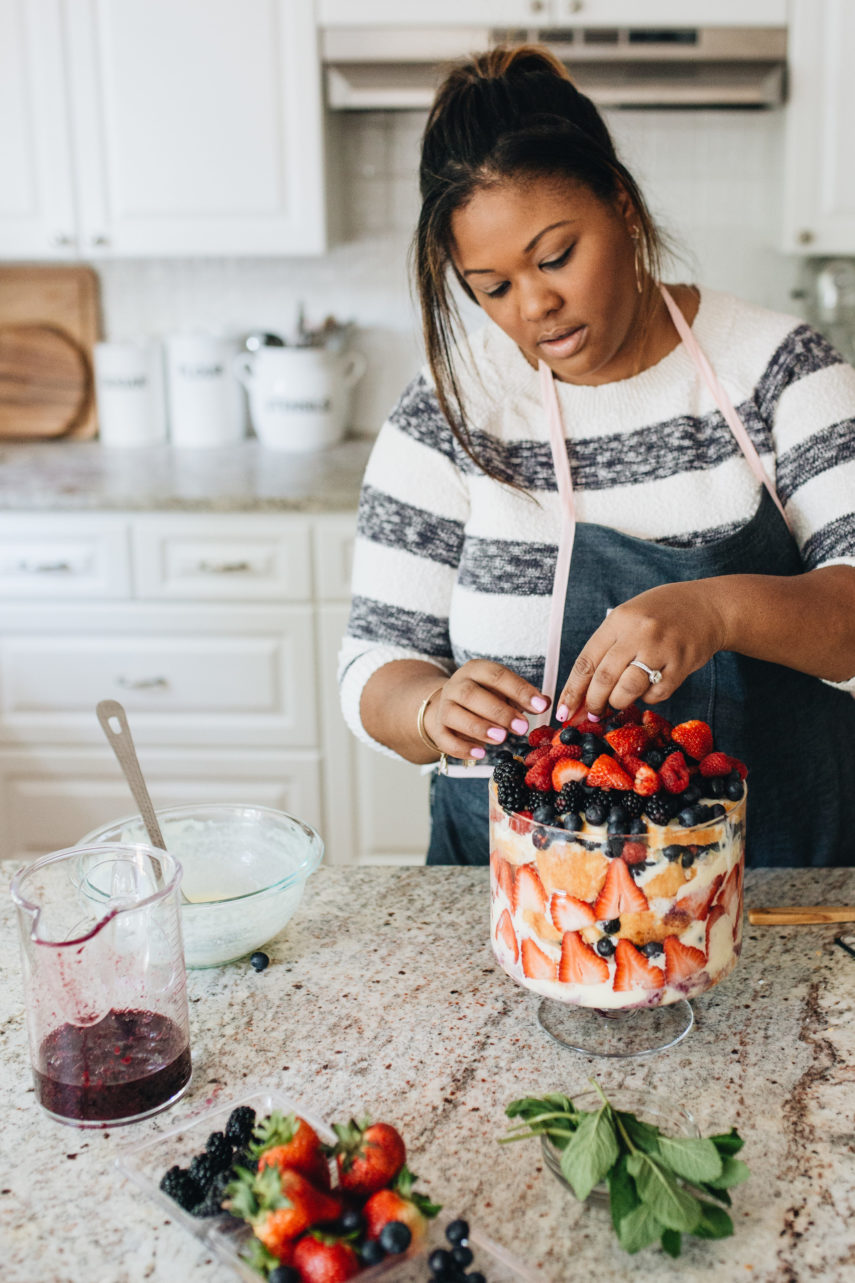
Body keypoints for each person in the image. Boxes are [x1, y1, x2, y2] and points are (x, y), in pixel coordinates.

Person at [338, 45, 855, 868]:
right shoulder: (448, 409)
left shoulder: (778, 370)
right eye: (492, 287)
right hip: (525, 896)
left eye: (554, 257)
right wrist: (428, 705)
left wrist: (713, 609)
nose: (535, 305)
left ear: (619, 203)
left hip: (776, 888)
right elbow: (374, 663)